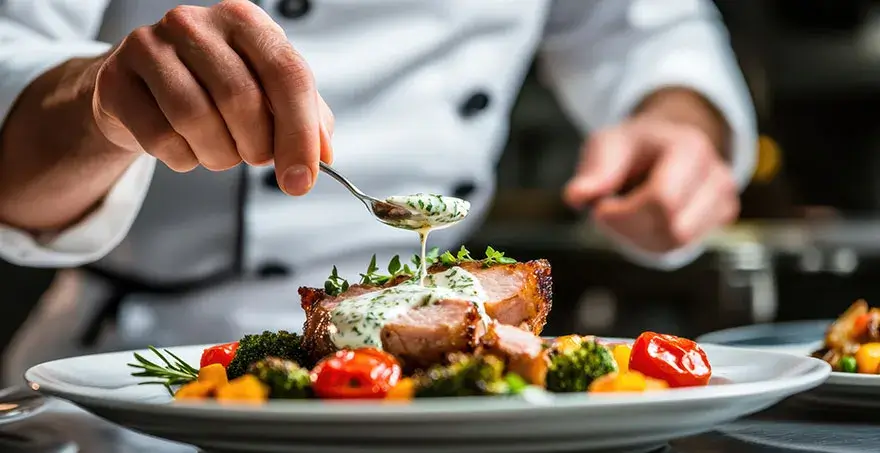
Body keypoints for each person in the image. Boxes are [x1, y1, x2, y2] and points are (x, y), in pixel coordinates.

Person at [0, 0, 755, 384]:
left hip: (450, 395)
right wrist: (102, 106)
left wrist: (681, 122)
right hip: (146, 375)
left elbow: (649, 32)